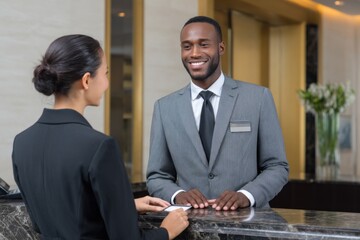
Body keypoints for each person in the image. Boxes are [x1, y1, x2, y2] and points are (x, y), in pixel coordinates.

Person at [12, 34, 188, 240]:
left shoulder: (21, 142)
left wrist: (123, 206)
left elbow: (48, 218)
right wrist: (166, 231)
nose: (106, 83)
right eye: (105, 73)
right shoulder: (100, 146)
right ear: (87, 80)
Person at [146, 16, 289, 211]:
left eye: (203, 44)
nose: (194, 53)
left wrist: (246, 195)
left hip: (249, 225)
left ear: (221, 48)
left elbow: (277, 166)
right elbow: (157, 176)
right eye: (187, 46)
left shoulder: (258, 98)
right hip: (190, 228)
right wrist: (177, 195)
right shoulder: (165, 108)